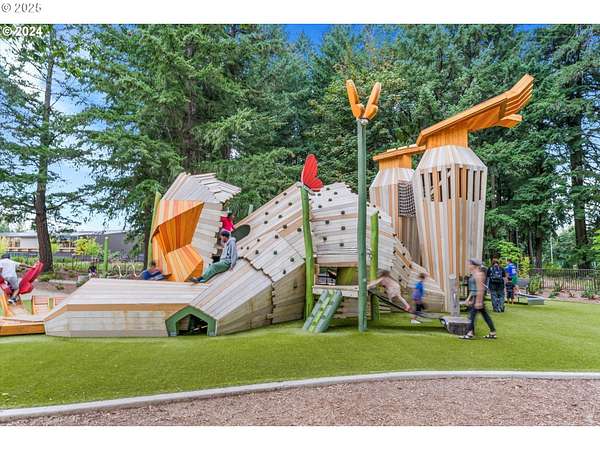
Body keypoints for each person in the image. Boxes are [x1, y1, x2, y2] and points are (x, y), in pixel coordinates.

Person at [461, 259, 497, 340]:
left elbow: (480, 288)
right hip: (475, 297)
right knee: (485, 315)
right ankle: (492, 332)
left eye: (470, 264)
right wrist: (468, 298)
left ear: (474, 265)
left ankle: (470, 333)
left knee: (471, 316)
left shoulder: (479, 274)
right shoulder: (473, 274)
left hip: (478, 297)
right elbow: (473, 289)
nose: (468, 266)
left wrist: (478, 301)